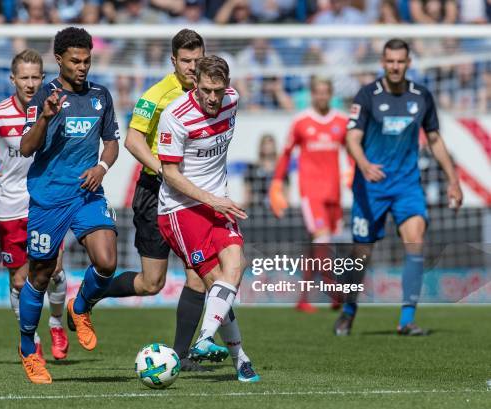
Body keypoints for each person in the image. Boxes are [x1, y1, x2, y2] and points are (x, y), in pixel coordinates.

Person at [334, 38, 463, 336]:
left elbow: (434, 140)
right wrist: (364, 164)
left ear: (408, 63)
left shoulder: (421, 96)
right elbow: (352, 137)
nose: (395, 66)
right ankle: (349, 310)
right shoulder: (367, 95)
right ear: (382, 62)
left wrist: (453, 180)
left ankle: (407, 319)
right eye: (390, 61)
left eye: (400, 61)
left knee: (415, 241)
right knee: (361, 254)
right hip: (371, 187)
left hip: (407, 185)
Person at [98, 29, 209, 371]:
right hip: (155, 191)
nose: (193, 67)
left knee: (200, 273)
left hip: (189, 194)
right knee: (151, 283)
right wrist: (164, 170)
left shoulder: (210, 93)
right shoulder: (156, 95)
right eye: (186, 61)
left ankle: (182, 353)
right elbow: (132, 140)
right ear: (173, 61)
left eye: (198, 60)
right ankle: (94, 293)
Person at [18, 27, 120, 384]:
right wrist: (45, 116)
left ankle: (81, 308)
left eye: (87, 60)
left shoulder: (100, 96)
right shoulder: (43, 97)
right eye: (75, 60)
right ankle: (29, 349)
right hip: (48, 198)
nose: (82, 66)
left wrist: (102, 167)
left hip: (86, 192)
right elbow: (27, 148)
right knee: (41, 274)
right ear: (58, 60)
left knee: (107, 262)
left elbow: (111, 142)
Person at [0, 49, 69, 364]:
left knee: (55, 271)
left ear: (43, 78)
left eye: (36, 77)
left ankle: (56, 325)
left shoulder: (56, 109)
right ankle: (31, 340)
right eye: (25, 77)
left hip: (46, 203)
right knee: (19, 281)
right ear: (13, 79)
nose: (31, 83)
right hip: (10, 206)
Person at [157, 55, 260, 383]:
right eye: (206, 90)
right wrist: (212, 199)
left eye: (218, 90)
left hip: (218, 206)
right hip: (180, 209)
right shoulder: (175, 116)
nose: (213, 98)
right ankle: (239, 357)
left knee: (235, 268)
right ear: (195, 84)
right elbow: (169, 173)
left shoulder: (233, 101)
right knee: (217, 280)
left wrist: (218, 201)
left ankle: (203, 340)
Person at [269, 77, 348, 313]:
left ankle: (303, 298)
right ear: (312, 94)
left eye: (326, 92)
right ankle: (334, 289)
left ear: (331, 94)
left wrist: (354, 170)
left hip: (334, 192)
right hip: (311, 191)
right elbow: (285, 154)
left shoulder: (342, 121)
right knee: (322, 238)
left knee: (316, 246)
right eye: (318, 92)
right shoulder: (301, 122)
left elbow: (353, 150)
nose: (322, 96)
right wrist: (276, 183)